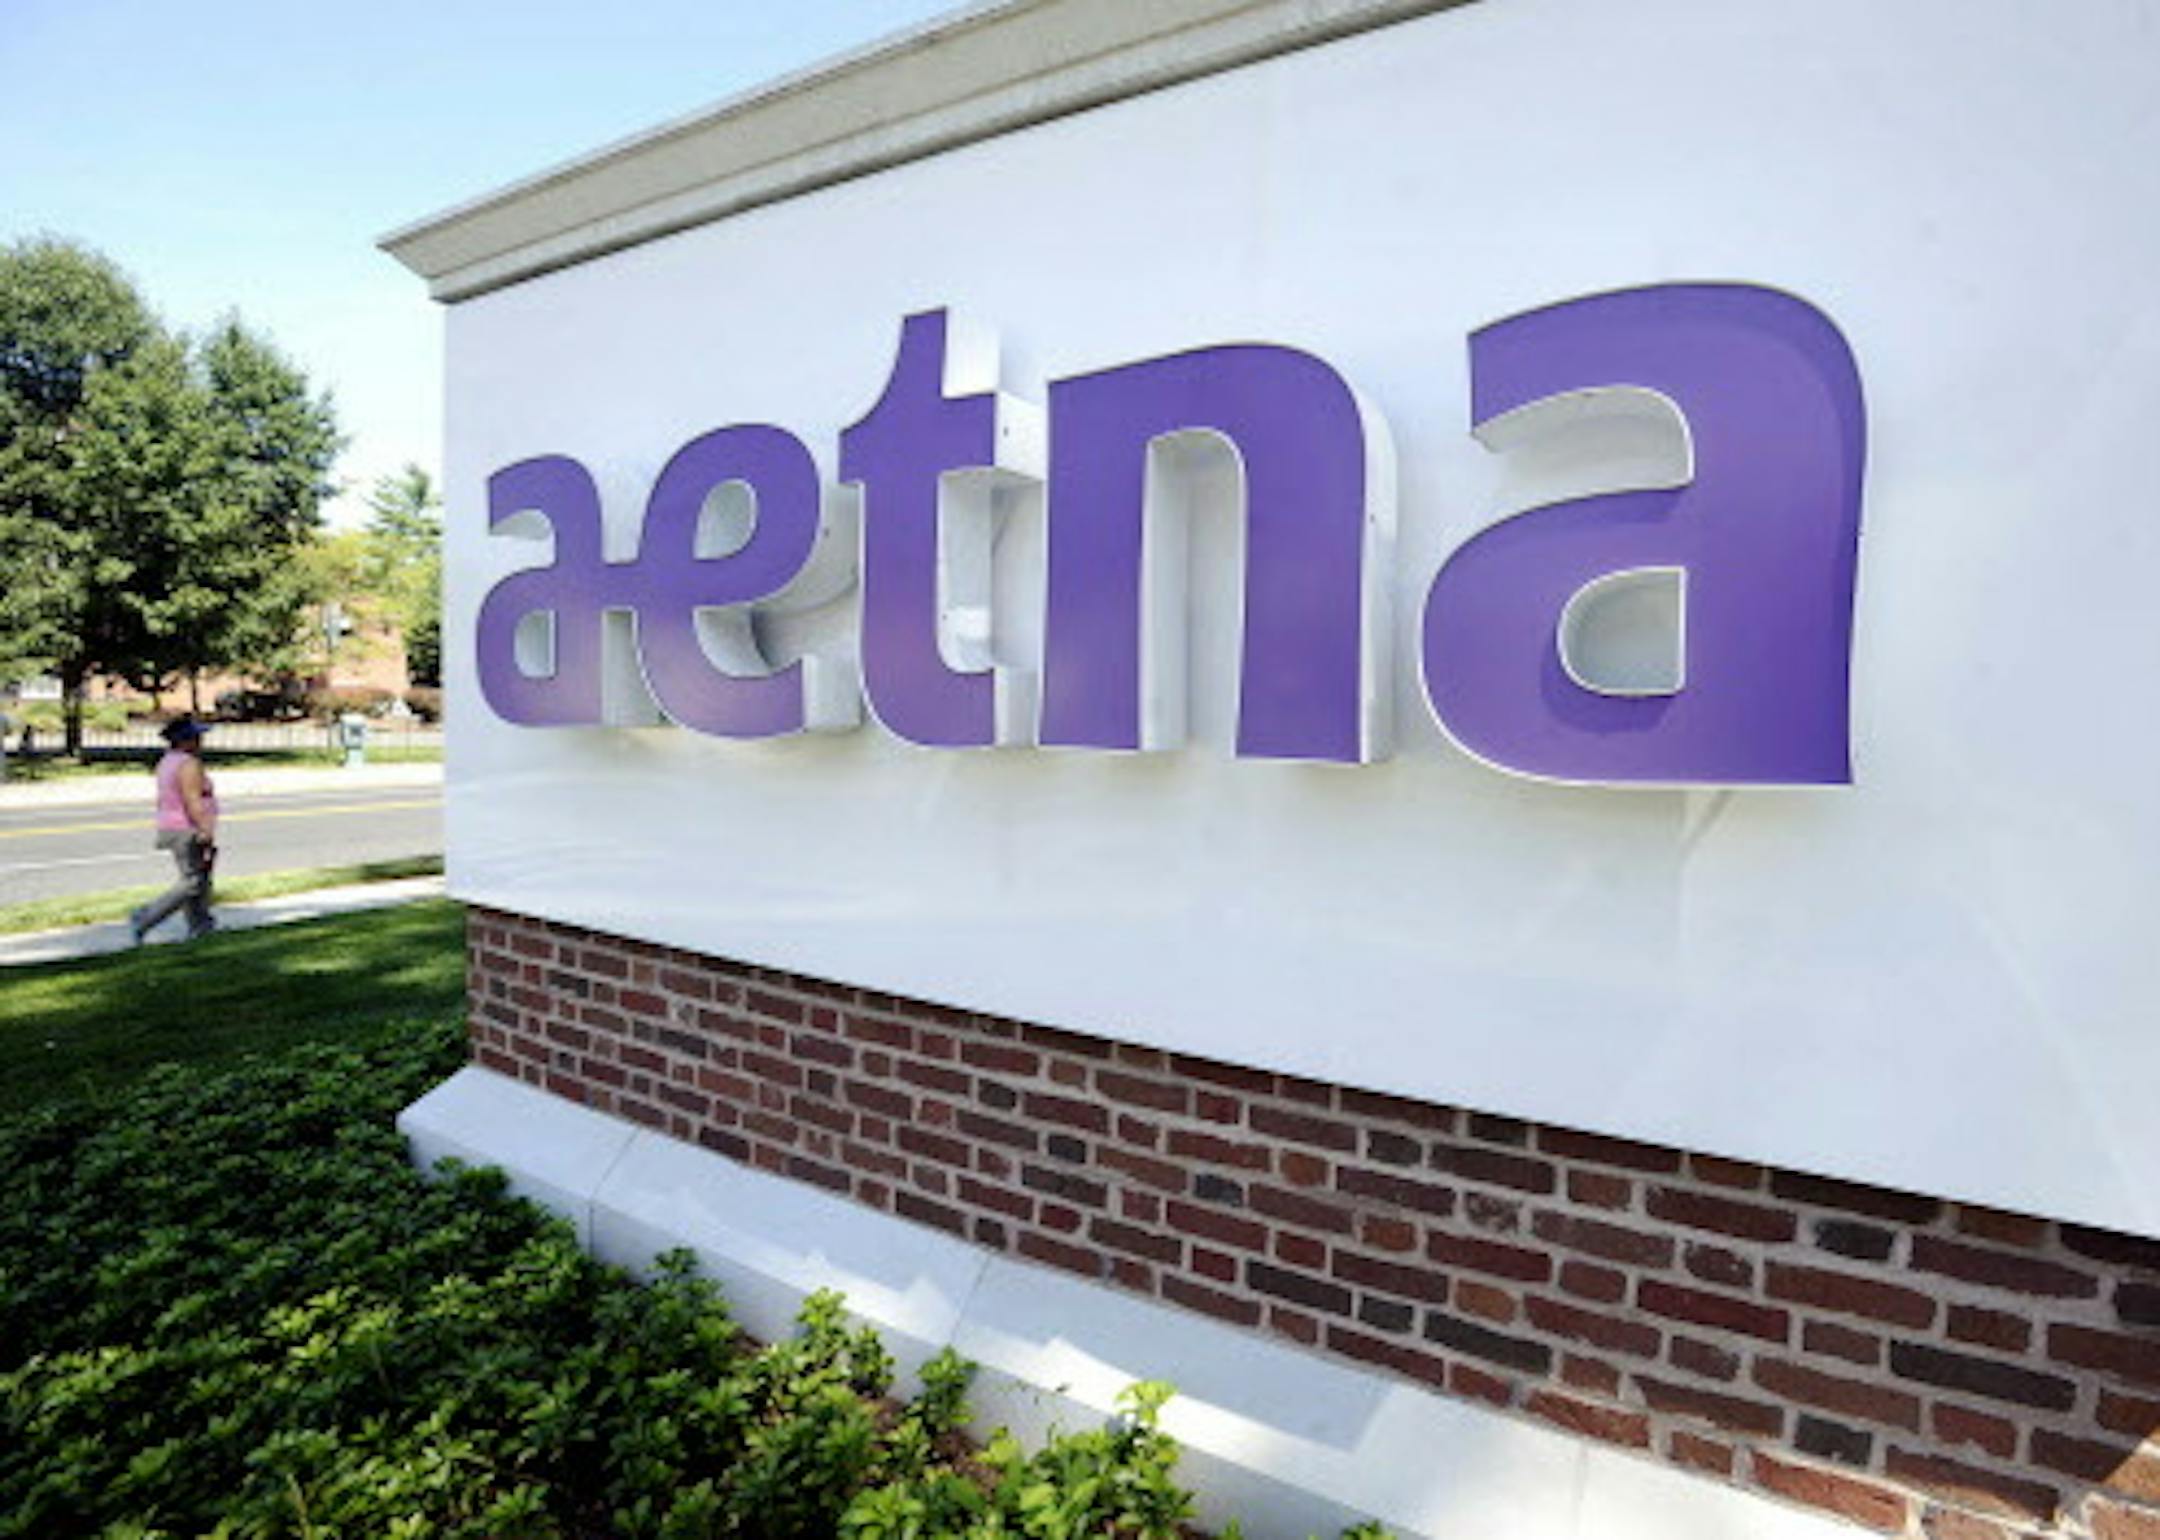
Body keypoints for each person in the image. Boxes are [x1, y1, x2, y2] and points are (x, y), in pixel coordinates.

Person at [130, 718, 220, 943]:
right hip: (186, 828)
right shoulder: (189, 764)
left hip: (172, 826)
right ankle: (146, 917)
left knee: (199, 880)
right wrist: (205, 829)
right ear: (184, 741)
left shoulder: (168, 761)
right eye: (195, 737)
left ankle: (201, 927)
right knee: (193, 882)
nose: (201, 741)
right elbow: (192, 799)